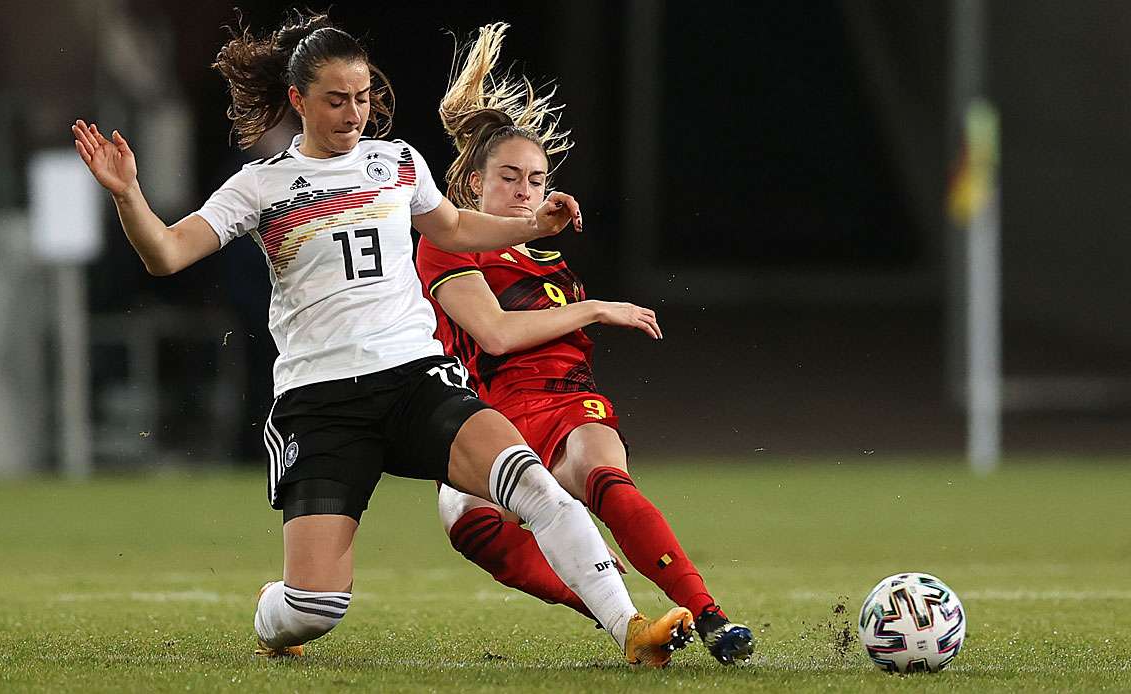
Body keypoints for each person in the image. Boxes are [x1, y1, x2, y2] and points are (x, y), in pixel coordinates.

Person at [70, 11, 694, 667]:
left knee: (531, 483)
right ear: (298, 100)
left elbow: (453, 229)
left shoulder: (397, 162)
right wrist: (128, 195)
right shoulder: (261, 185)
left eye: (362, 98)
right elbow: (166, 254)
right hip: (321, 402)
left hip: (414, 377)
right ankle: (273, 608)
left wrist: (532, 223)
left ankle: (632, 628)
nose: (352, 114)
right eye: (336, 100)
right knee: (315, 609)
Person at [415, 23, 754, 665]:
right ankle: (625, 614)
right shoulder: (444, 247)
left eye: (537, 180)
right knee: (467, 525)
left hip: (567, 402)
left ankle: (712, 619)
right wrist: (593, 308)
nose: (525, 192)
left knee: (605, 476)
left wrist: (562, 276)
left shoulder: (545, 257)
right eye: (509, 178)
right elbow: (494, 333)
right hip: (487, 416)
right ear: (471, 187)